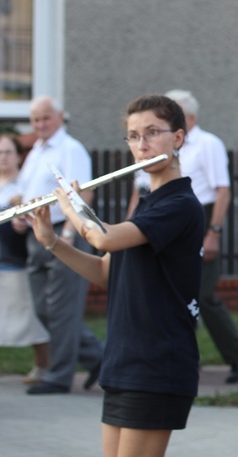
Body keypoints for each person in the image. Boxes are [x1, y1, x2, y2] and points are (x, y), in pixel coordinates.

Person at [26, 94, 204, 457]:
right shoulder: (148, 203)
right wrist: (52, 243)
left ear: (179, 138)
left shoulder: (179, 204)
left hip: (158, 360)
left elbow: (102, 236)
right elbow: (106, 271)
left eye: (152, 133)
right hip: (124, 356)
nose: (142, 145)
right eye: (134, 136)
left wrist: (72, 206)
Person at [127, 89, 238, 383]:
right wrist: (129, 224)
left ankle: (235, 353)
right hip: (157, 218)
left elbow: (222, 190)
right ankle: (180, 360)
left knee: (202, 295)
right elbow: (140, 187)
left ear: (190, 119)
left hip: (197, 216)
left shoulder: (208, 143)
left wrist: (214, 232)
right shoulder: (153, 145)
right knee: (174, 293)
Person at [15, 96, 104, 395]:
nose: (40, 124)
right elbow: (28, 191)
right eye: (36, 119)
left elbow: (82, 193)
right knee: (43, 308)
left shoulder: (69, 149)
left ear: (60, 117)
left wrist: (68, 232)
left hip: (64, 234)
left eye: (45, 118)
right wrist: (20, 216)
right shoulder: (37, 150)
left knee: (62, 309)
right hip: (37, 233)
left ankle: (60, 375)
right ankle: (101, 359)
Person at [0, 133, 50, 383]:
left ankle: (43, 366)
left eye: (8, 152)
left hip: (16, 262)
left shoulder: (25, 186)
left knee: (28, 319)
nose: (3, 157)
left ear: (18, 155)